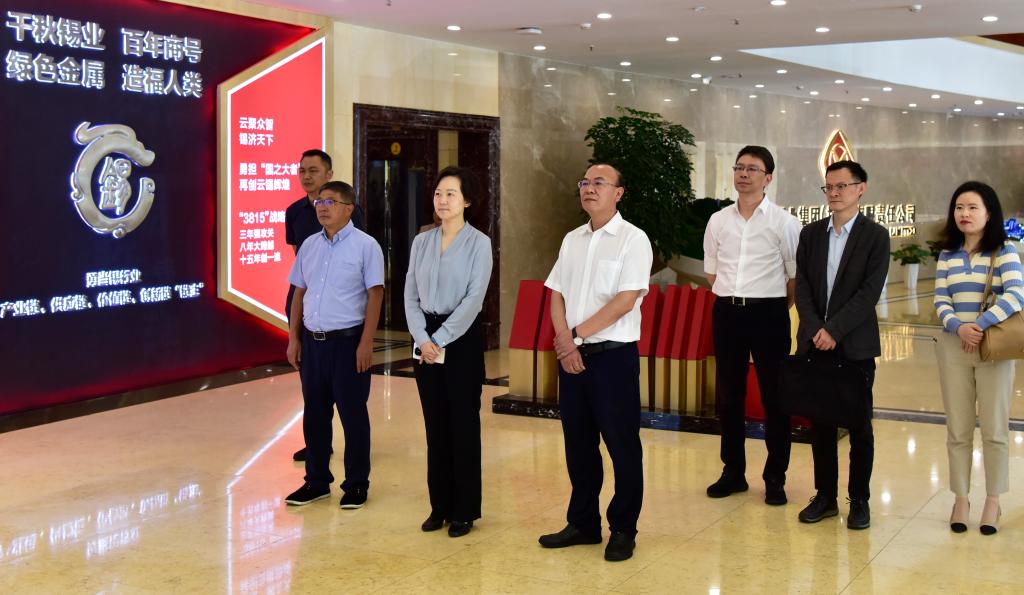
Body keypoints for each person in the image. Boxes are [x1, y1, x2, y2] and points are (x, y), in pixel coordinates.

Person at [538, 163, 653, 562]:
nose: (589, 188)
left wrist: (576, 337)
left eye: (599, 183)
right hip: (572, 358)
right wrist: (565, 342)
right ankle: (583, 523)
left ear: (618, 193)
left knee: (622, 446)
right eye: (585, 182)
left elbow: (626, 300)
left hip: (612, 359)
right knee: (578, 445)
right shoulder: (572, 239)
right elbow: (555, 292)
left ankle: (623, 529)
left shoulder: (633, 239)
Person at [793, 160, 889, 530]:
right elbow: (802, 287)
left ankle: (859, 499)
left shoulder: (875, 236)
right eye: (829, 187)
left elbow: (869, 293)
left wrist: (834, 329)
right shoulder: (811, 234)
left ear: (861, 188)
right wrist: (816, 328)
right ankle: (825, 497)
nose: (834, 193)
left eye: (842, 187)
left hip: (854, 346)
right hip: (816, 343)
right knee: (820, 425)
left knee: (859, 426)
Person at [702, 145, 801, 505]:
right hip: (727, 312)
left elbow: (794, 276)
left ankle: (775, 477)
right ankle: (733, 472)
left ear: (768, 178)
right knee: (729, 395)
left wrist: (772, 305)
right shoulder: (718, 220)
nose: (743, 174)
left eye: (752, 169)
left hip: (768, 314)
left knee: (775, 396)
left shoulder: (784, 222)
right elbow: (711, 271)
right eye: (739, 167)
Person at [283, 181, 384, 509]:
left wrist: (366, 342)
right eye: (320, 202)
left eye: (331, 202)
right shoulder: (309, 245)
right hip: (313, 344)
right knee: (314, 414)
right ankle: (316, 482)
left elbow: (375, 295)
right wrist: (293, 338)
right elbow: (299, 292)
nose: (323, 207)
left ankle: (356, 484)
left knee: (353, 416)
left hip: (348, 344)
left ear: (348, 208)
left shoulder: (366, 246)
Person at [404, 166, 493, 538]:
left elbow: (473, 301)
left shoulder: (479, 243)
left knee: (463, 427)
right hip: (425, 341)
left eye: (451, 194)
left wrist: (439, 339)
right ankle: (439, 506)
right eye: (439, 193)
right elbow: (410, 294)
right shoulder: (421, 242)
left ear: (467, 200)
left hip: (460, 341)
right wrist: (422, 338)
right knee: (435, 427)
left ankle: (464, 510)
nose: (442, 200)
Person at [933, 181, 1023, 535]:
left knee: (995, 430)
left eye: (972, 207)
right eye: (959, 207)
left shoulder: (1004, 250)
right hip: (954, 347)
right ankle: (961, 499)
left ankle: (993, 501)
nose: (964, 214)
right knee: (958, 429)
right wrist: (959, 327)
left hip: (993, 348)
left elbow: (1016, 295)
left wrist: (980, 325)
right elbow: (940, 299)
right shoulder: (948, 254)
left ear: (989, 213)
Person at [286, 149, 366, 462]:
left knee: (346, 394)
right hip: (307, 304)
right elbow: (300, 261)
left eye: (314, 171)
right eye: (302, 170)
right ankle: (318, 446)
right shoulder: (294, 212)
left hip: (342, 316)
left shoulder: (349, 212)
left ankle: (354, 460)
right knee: (312, 389)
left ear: (329, 174)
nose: (307, 176)